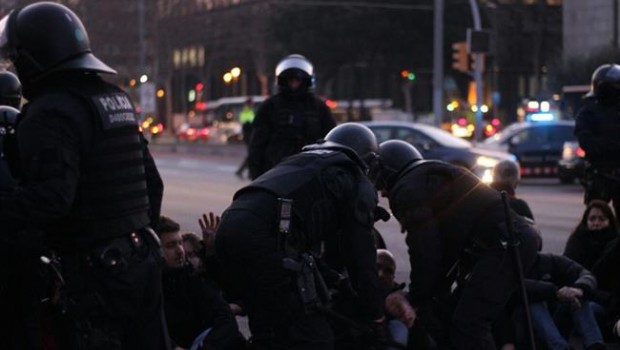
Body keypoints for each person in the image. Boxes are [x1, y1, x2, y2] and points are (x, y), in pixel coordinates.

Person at [0, 3, 167, 349]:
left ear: (33, 59)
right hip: (144, 263)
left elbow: (52, 199)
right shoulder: (115, 99)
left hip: (97, 277)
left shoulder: (49, 112)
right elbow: (153, 184)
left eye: (17, 60)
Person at [216, 123, 385, 349]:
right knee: (314, 336)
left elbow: (300, 246)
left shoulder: (305, 163)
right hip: (264, 239)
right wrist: (375, 311)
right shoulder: (352, 177)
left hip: (229, 229)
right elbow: (360, 254)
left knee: (269, 330)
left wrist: (334, 279)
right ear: (368, 159)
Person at [370, 139, 539, 350]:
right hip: (510, 240)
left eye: (382, 186)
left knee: (469, 323)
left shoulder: (407, 189)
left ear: (388, 172)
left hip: (502, 245)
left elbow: (425, 250)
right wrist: (426, 294)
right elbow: (445, 249)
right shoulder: (431, 175)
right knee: (455, 314)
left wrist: (416, 296)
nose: (383, 193)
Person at [158, 216, 244, 350]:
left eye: (179, 243)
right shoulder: (147, 288)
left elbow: (225, 319)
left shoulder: (192, 279)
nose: (179, 251)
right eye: (170, 245)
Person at [247, 54, 336, 180]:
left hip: (311, 172)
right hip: (276, 172)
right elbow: (257, 143)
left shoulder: (318, 107)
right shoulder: (270, 106)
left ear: (305, 80)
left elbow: (331, 140)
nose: (294, 84)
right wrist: (257, 177)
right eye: (290, 80)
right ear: (283, 80)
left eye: (297, 80)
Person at [523, 252, 604, 350]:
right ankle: (560, 347)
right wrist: (556, 292)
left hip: (555, 320)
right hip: (527, 329)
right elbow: (520, 287)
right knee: (533, 302)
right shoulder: (509, 267)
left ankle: (594, 345)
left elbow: (585, 274)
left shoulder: (548, 261)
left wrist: (579, 289)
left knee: (577, 294)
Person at [575, 63, 620, 216]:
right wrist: (612, 147)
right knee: (596, 217)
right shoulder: (589, 112)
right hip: (600, 175)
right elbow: (586, 142)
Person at [563, 199, 619, 271]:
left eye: (601, 219)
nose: (596, 223)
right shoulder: (576, 242)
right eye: (592, 219)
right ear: (586, 221)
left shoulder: (615, 244)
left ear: (609, 221)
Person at [235, 98, 255, 179]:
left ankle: (245, 172)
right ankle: (244, 171)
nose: (252, 104)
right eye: (251, 103)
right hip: (249, 135)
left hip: (248, 135)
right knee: (252, 154)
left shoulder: (247, 111)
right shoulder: (247, 111)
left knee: (251, 154)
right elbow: (248, 123)